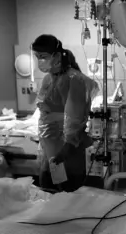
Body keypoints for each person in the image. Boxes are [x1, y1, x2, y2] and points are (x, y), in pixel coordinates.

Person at [32, 34, 99, 192]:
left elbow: (74, 117)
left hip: (66, 148)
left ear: (56, 55)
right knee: (48, 188)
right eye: (37, 57)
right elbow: (44, 110)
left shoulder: (74, 79)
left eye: (43, 56)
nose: (40, 60)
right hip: (51, 146)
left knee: (65, 193)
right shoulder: (49, 79)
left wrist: (66, 148)